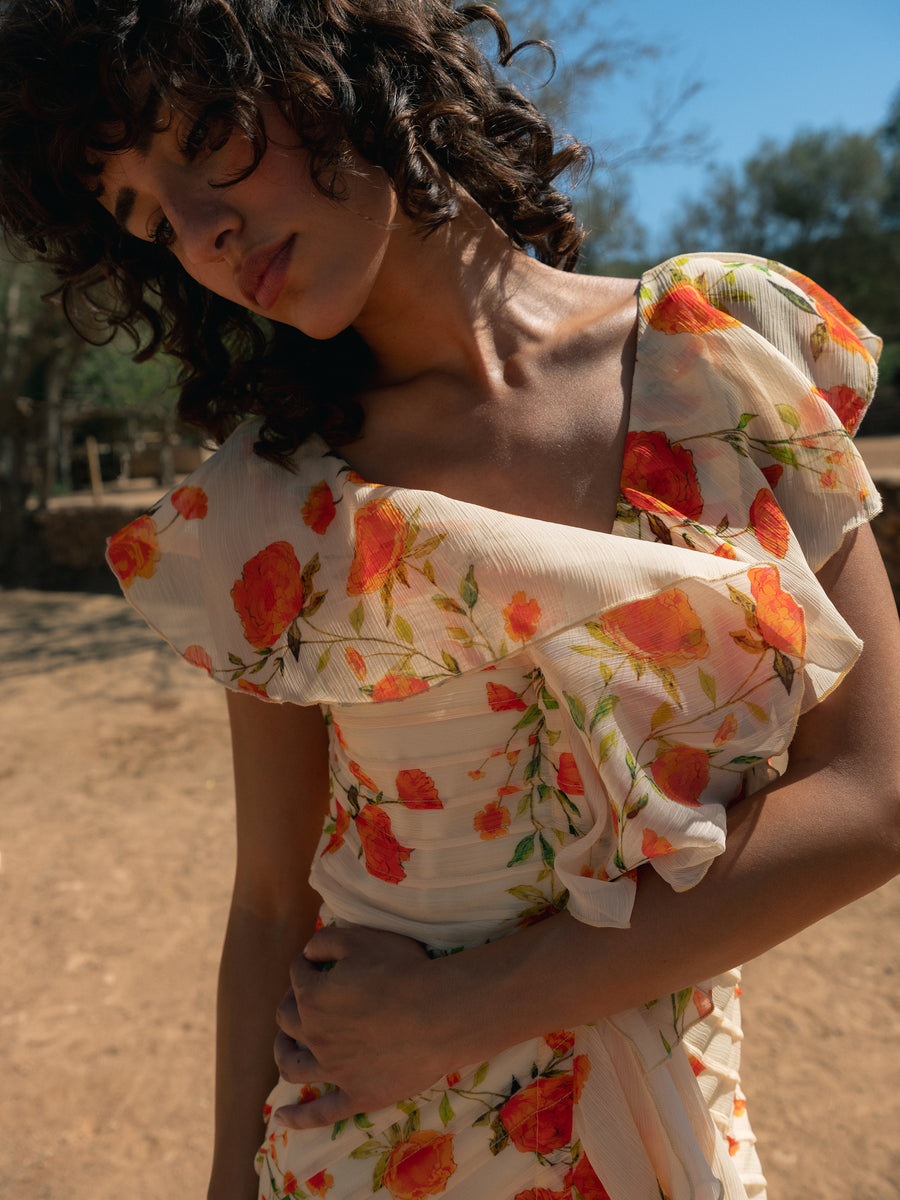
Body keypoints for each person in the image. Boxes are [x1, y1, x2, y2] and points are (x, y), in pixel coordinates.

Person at [1, 2, 898, 1198]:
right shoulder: (272, 506)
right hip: (367, 1150)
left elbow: (877, 792)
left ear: (331, 61)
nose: (205, 234)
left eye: (209, 134)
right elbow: (271, 901)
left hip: (661, 1130)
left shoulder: (722, 352)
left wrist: (465, 1008)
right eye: (152, 220)